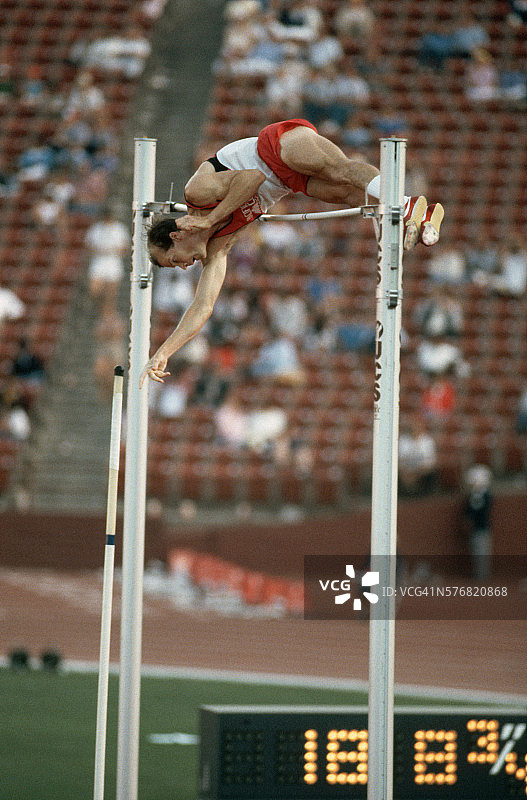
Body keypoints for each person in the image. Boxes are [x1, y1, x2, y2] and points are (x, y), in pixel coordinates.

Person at [141, 119, 444, 386]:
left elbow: (252, 178)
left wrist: (210, 219)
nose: (183, 267)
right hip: (283, 182)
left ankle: (405, 204)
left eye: (174, 260)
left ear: (176, 235)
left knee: (340, 171)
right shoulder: (217, 248)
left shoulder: (196, 193)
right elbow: (202, 307)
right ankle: (422, 213)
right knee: (349, 194)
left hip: (275, 146)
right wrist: (163, 352)